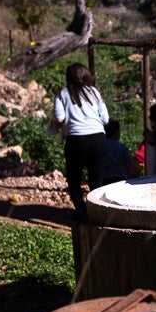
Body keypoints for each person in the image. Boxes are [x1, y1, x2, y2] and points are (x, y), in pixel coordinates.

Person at [50, 63, 108, 216]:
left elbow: (59, 118)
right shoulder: (94, 92)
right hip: (98, 138)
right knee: (96, 179)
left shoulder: (62, 93)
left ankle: (81, 211)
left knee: (74, 179)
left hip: (76, 140)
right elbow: (106, 119)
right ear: (86, 75)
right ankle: (97, 213)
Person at [102, 119, 139, 185]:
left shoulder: (100, 147)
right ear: (116, 132)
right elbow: (130, 166)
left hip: (104, 180)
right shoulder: (122, 147)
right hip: (120, 179)